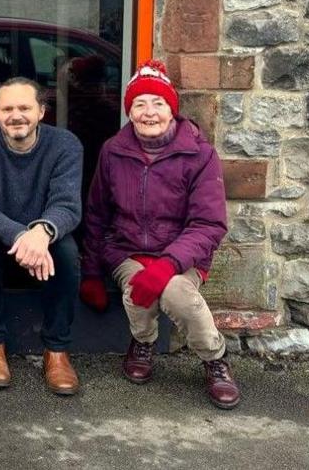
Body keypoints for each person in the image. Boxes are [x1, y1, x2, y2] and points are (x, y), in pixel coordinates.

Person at [79, 60, 238, 409]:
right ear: (129, 111)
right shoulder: (113, 151)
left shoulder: (200, 155)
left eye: (158, 103)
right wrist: (91, 271)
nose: (149, 112)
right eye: (139, 104)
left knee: (177, 292)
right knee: (139, 286)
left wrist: (168, 264)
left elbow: (209, 224)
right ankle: (144, 340)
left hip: (182, 255)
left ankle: (214, 358)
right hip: (126, 250)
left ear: (172, 109)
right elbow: (97, 214)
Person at [0, 77, 84, 394]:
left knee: (69, 253)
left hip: (45, 237)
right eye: (7, 108)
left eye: (24, 108)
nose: (16, 115)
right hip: (1, 235)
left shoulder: (66, 145)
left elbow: (67, 205)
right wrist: (22, 236)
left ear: (41, 112)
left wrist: (42, 232)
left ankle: (56, 350)